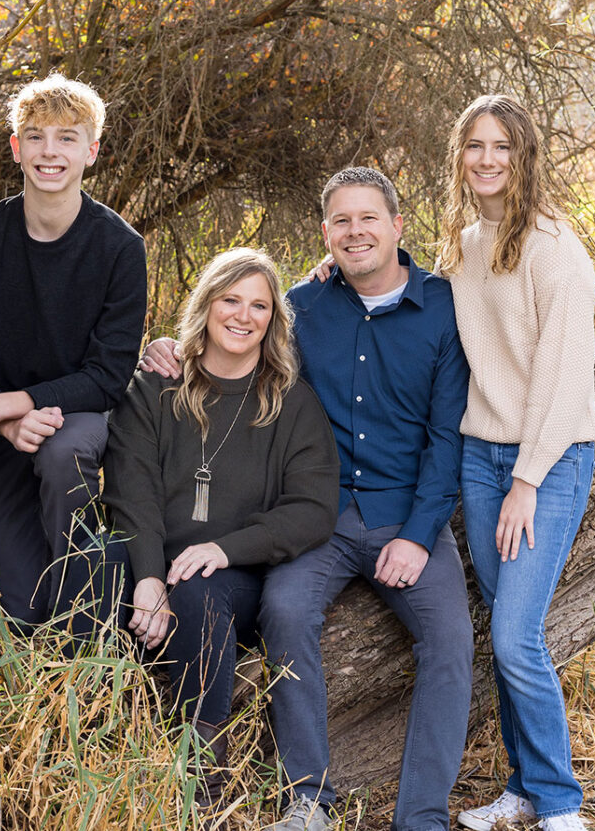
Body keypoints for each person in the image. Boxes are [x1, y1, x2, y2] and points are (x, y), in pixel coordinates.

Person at [142, 168, 474, 831]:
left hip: (408, 513)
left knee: (451, 639)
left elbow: (448, 438)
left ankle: (422, 817)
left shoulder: (444, 306)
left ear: (397, 226)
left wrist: (418, 534)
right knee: (285, 609)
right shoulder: (303, 304)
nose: (356, 232)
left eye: (369, 218)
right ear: (326, 233)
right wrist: (173, 347)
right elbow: (238, 336)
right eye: (342, 221)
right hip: (318, 515)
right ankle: (309, 802)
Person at [103, 247, 339, 809]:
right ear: (207, 304)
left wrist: (224, 549)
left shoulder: (290, 402)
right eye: (231, 300)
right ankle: (86, 743)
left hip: (236, 577)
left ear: (273, 319)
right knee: (93, 567)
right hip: (152, 562)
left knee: (199, 588)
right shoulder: (155, 388)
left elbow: (312, 509)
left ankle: (200, 780)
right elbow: (132, 491)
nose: (243, 316)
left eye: (259, 305)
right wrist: (149, 576)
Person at [0, 73, 147, 637]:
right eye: (35, 136)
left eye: (66, 138)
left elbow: (107, 377)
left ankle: (92, 639)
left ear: (91, 152)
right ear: (16, 148)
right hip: (1, 437)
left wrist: (9, 404)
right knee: (22, 612)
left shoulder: (120, 248)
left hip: (80, 418)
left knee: (61, 454)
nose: (49, 151)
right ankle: (47, 649)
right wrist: (7, 424)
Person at [442, 95, 595, 831]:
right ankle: (524, 788)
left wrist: (527, 480)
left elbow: (563, 379)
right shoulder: (465, 242)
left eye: (501, 146)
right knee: (502, 627)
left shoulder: (554, 248)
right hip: (481, 455)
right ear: (459, 156)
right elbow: (421, 296)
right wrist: (335, 269)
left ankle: (561, 804)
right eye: (475, 145)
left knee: (515, 635)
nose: (487, 159)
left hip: (550, 458)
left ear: (524, 155)